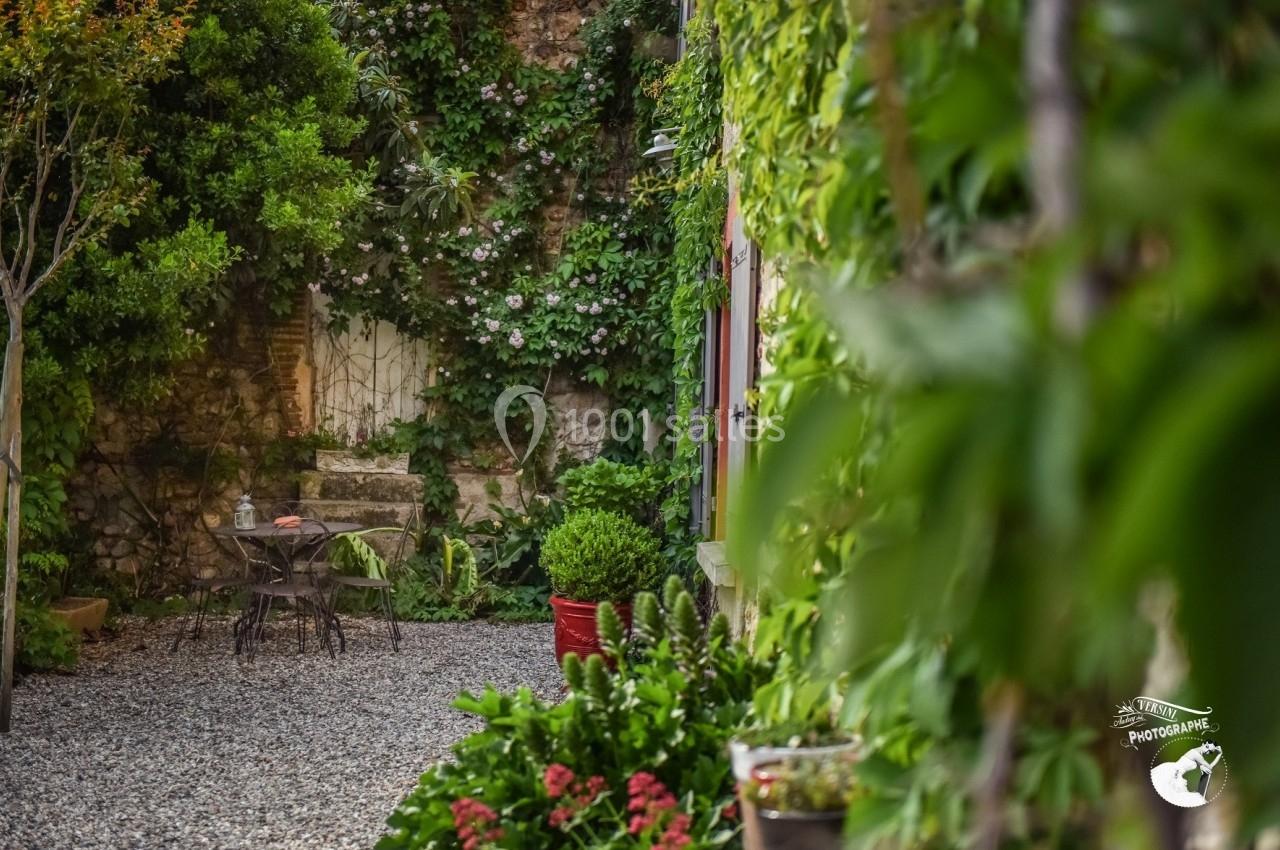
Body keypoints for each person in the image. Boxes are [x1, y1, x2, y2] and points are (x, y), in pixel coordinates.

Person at [1150, 740, 1222, 808]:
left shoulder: (1197, 754)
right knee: (1171, 794)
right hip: (1175, 772)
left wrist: (1201, 767)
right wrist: (1219, 754)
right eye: (1207, 747)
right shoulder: (1196, 754)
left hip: (1176, 772)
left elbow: (1201, 765)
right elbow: (1209, 767)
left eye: (1210, 751)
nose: (1207, 751)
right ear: (1203, 743)